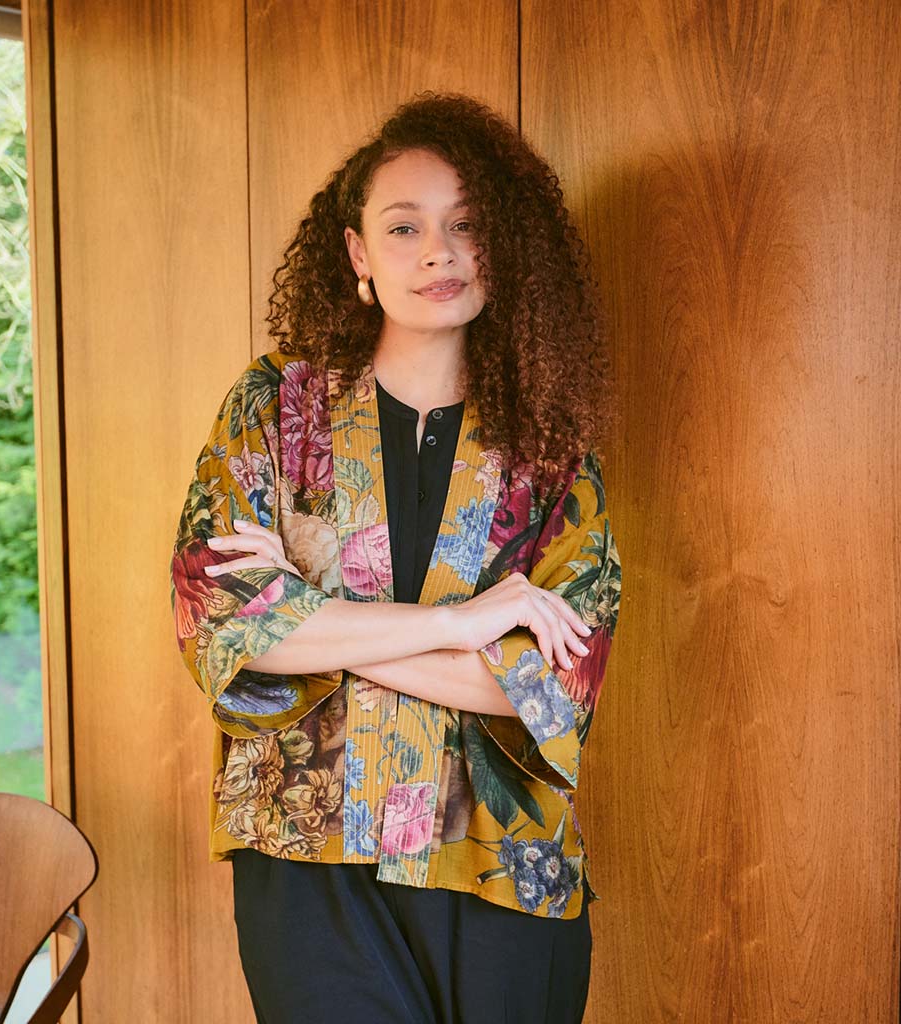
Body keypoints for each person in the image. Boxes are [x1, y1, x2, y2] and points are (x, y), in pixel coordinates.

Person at [170, 91, 621, 1024]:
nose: (437, 251)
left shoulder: (554, 458)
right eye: (404, 225)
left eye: (467, 225)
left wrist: (307, 615)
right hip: (307, 853)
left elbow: (550, 685)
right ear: (357, 254)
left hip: (500, 864)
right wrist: (463, 625)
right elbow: (221, 620)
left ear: (505, 247)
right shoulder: (271, 413)